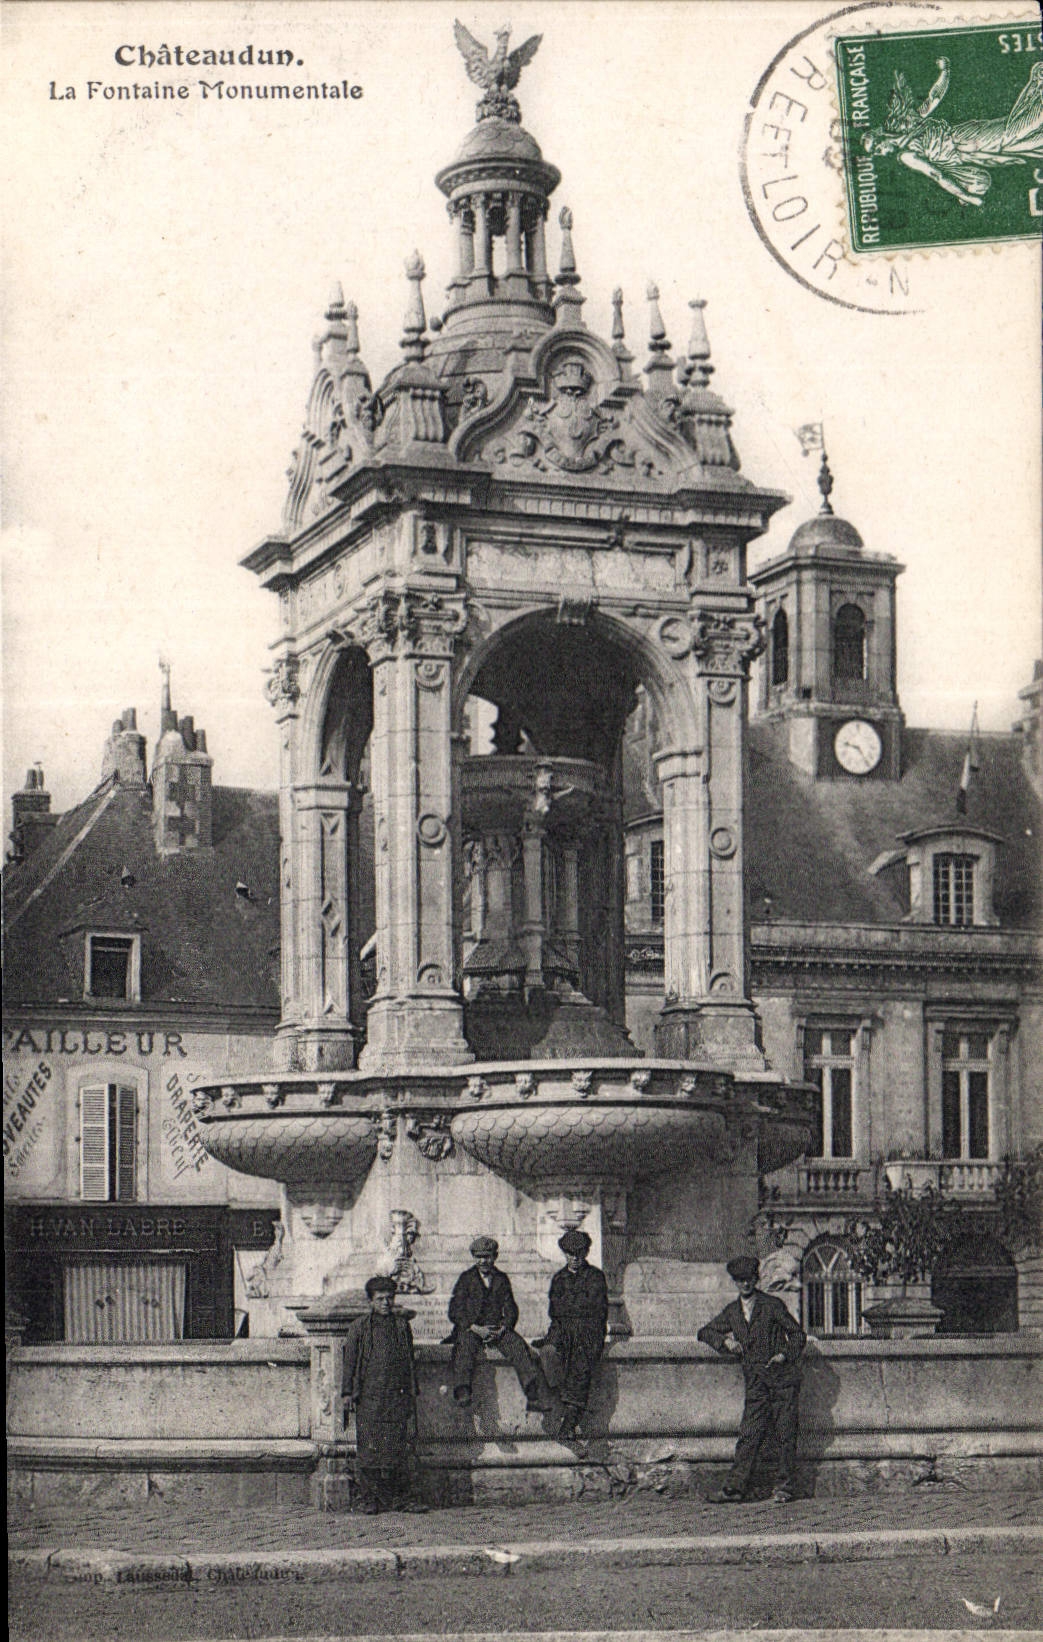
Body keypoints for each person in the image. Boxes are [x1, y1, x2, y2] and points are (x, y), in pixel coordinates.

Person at [697, 1254, 806, 1504]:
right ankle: (734, 1489)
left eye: (749, 1280)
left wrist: (783, 1355)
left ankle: (784, 1488)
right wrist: (724, 1341)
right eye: (740, 1281)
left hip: (782, 1380)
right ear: (735, 1282)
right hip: (756, 1382)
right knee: (749, 1435)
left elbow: (798, 1335)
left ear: (756, 1280)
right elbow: (704, 1332)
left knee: (785, 1435)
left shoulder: (773, 1305)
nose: (745, 1285)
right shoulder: (733, 1312)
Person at [343, 1275, 428, 1514]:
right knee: (369, 1450)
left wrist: (412, 1391)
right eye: (380, 1299)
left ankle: (401, 1499)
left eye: (389, 1298)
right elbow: (349, 1362)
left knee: (399, 1450)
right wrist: (347, 1393)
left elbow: (410, 1361)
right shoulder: (360, 1327)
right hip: (369, 1397)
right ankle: (369, 1499)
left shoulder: (401, 1326)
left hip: (397, 1396)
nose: (385, 1303)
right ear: (370, 1301)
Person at [447, 1235, 552, 1413]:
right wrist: (475, 1328)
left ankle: (533, 1395)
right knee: (464, 1347)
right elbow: (455, 1311)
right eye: (479, 1257)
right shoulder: (466, 1279)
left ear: (495, 1257)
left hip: (496, 1329)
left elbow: (511, 1308)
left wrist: (504, 1327)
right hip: (472, 1328)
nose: (483, 1261)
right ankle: (463, 1391)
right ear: (474, 1257)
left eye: (487, 1256)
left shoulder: (501, 1279)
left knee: (518, 1346)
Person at [539, 1229, 609, 1441]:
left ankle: (569, 1422)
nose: (575, 1259)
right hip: (562, 1328)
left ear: (586, 1253)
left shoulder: (595, 1277)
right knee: (548, 1352)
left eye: (579, 1254)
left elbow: (596, 1309)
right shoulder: (559, 1278)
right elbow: (555, 1310)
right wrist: (573, 1309)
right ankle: (561, 1397)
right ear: (565, 1254)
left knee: (581, 1361)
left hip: (589, 1329)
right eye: (571, 1254)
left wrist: (572, 1309)